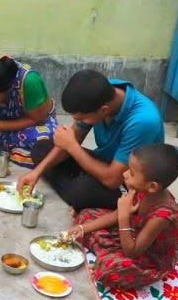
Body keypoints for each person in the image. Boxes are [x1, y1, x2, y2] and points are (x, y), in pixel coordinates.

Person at [17, 70, 164, 211]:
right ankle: (78, 185)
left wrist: (72, 147)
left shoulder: (143, 121)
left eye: (81, 119)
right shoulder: (103, 91)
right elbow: (74, 137)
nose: (78, 122)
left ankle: (78, 191)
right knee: (41, 148)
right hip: (104, 162)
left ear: (104, 110)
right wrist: (36, 172)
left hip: (129, 180)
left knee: (81, 192)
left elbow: (113, 180)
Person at [65, 144, 178, 290]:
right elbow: (116, 216)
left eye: (132, 173)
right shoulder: (142, 190)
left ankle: (106, 256)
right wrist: (82, 228)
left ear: (152, 186)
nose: (125, 174)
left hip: (149, 257)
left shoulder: (163, 215)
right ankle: (107, 253)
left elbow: (132, 252)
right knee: (86, 215)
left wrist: (123, 215)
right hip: (132, 233)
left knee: (112, 269)